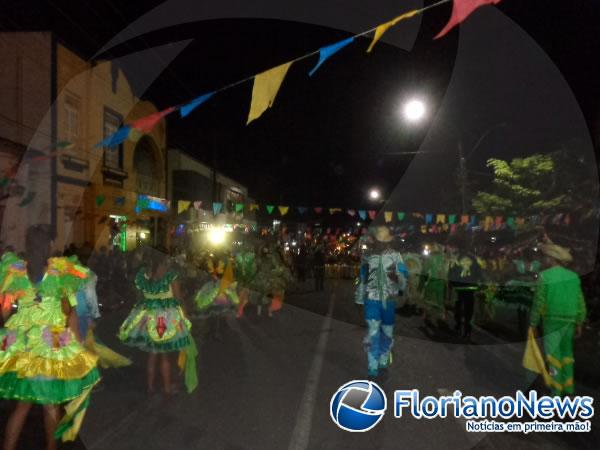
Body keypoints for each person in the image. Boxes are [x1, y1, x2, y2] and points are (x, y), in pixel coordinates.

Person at [0, 226, 100, 450]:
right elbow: (68, 312)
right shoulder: (58, 274)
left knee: (22, 407)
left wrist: (24, 311)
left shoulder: (16, 271)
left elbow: (4, 312)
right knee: (51, 406)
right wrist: (77, 344)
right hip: (50, 344)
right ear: (47, 246)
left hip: (24, 345)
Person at [118, 248, 197, 394]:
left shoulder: (144, 275)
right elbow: (179, 298)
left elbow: (140, 296)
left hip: (148, 319)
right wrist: (185, 317)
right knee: (165, 356)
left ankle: (150, 387)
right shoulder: (170, 275)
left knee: (152, 354)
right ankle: (167, 388)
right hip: (165, 319)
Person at [530, 243, 587, 397]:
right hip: (569, 320)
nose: (544, 260)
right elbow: (580, 302)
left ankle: (555, 393)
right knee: (567, 355)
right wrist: (580, 321)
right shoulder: (573, 277)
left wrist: (533, 324)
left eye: (545, 257)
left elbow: (539, 302)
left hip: (551, 320)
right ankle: (568, 390)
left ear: (551, 259)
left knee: (553, 356)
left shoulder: (545, 276)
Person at [355, 226, 407, 377]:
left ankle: (383, 360)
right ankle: (373, 366)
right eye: (379, 241)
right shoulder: (368, 257)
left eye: (384, 242)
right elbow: (362, 279)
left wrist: (397, 278)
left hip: (389, 302)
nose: (381, 244)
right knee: (373, 333)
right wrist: (358, 300)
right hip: (372, 301)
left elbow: (404, 282)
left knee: (387, 333)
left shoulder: (397, 257)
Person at [448, 248, 482, 340]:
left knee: (458, 306)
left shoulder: (457, 258)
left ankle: (458, 325)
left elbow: (452, 272)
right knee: (468, 310)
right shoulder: (474, 260)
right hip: (470, 288)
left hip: (459, 288)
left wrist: (452, 284)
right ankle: (467, 330)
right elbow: (479, 273)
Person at [422, 243, 448, 327]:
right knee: (439, 299)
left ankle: (428, 315)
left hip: (432, 280)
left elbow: (425, 270)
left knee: (429, 298)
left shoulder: (430, 257)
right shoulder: (445, 257)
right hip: (441, 282)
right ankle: (441, 316)